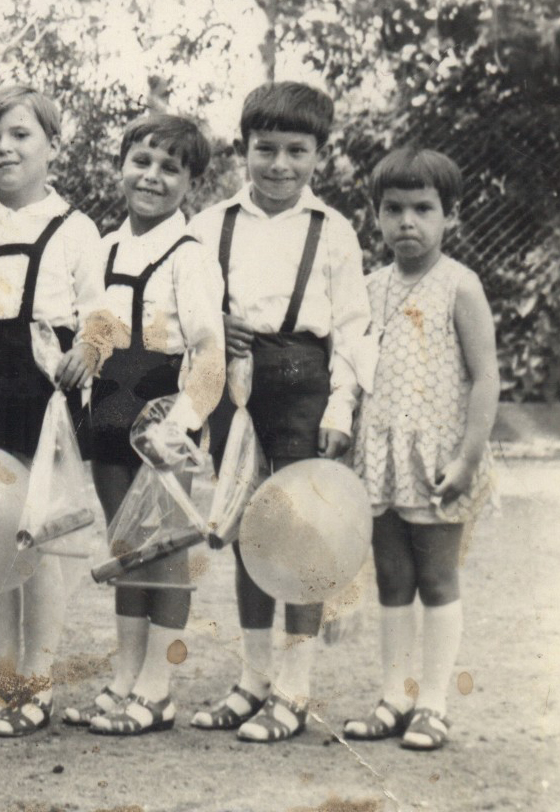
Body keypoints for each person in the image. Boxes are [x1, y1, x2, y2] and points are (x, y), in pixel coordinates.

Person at [187, 82, 370, 743]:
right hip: (233, 388)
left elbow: (352, 327)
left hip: (303, 383)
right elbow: (186, 307)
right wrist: (215, 323)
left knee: (300, 534)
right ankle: (253, 679)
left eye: (297, 151)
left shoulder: (333, 231)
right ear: (243, 149)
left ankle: (294, 689)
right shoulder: (210, 225)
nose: (280, 165)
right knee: (245, 530)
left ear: (319, 153)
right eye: (266, 149)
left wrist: (342, 407)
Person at [0, 86, 104, 737]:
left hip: (44, 388)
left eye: (20, 135)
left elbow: (101, 310)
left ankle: (38, 680)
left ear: (52, 146)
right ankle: (2, 677)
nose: (4, 149)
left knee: (40, 533)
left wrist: (89, 349)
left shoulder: (75, 227)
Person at [63, 115, 225, 736]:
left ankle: (157, 689)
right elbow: (94, 328)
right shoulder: (102, 248)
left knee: (166, 551)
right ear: (121, 166)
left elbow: (209, 353)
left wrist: (180, 425)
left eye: (170, 168)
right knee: (125, 547)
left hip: (164, 417)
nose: (152, 177)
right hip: (109, 410)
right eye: (141, 161)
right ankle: (124, 679)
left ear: (190, 183)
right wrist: (79, 355)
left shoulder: (192, 256)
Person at [343, 147, 497, 752]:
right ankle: (395, 696)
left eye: (423, 209)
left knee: (435, 577)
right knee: (391, 577)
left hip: (437, 460)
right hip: (380, 457)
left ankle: (433, 703)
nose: (407, 222)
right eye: (393, 209)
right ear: (376, 215)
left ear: (449, 215)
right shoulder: (368, 288)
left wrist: (466, 458)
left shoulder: (461, 286)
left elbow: (485, 377)